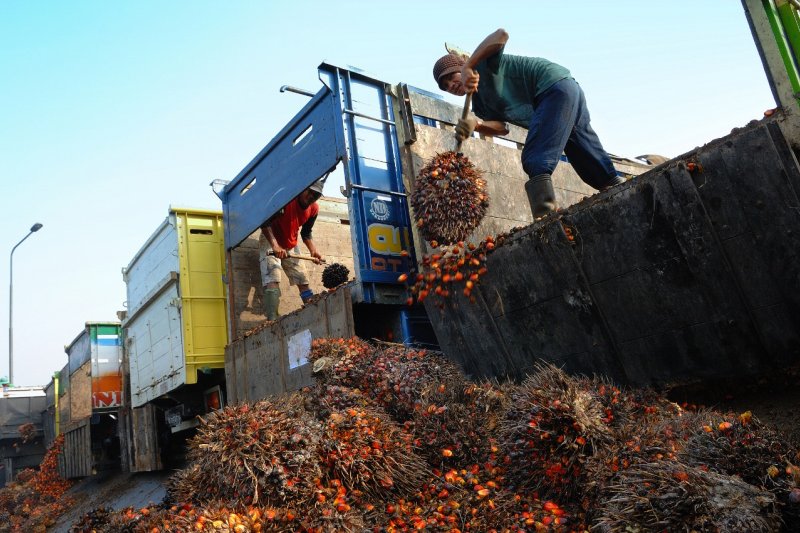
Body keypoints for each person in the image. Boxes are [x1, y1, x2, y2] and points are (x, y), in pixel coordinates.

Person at [432, 29, 625, 218]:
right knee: (587, 157)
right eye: (445, 87)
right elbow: (503, 128)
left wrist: (469, 66)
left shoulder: (483, 65)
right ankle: (620, 188)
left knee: (534, 158)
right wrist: (477, 125)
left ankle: (546, 219)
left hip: (552, 86)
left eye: (451, 77)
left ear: (462, 67)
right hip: (566, 92)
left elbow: (501, 35)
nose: (451, 86)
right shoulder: (480, 104)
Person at [259, 178, 325, 321]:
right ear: (303, 188)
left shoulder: (314, 208)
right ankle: (272, 321)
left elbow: (306, 233)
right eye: (311, 192)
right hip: (271, 239)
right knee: (273, 277)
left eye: (317, 195)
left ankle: (314, 316)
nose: (312, 197)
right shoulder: (287, 199)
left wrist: (313, 251)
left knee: (303, 280)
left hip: (291, 244)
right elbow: (264, 223)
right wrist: (275, 246)